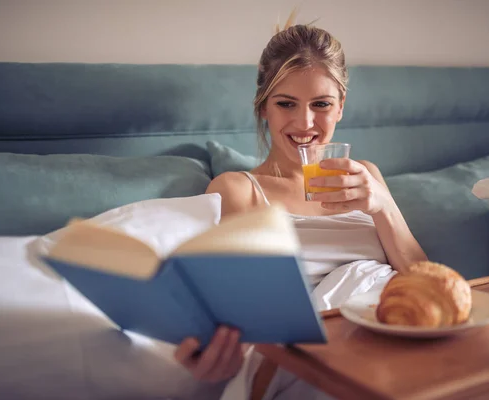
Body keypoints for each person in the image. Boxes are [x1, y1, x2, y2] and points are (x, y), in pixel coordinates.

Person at [174, 20, 428, 399]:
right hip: (314, 362)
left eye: (321, 104)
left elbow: (429, 285)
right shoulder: (238, 190)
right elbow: (232, 311)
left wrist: (382, 206)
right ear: (264, 108)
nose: (304, 123)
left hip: (398, 340)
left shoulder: (367, 176)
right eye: (286, 103)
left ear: (340, 107)